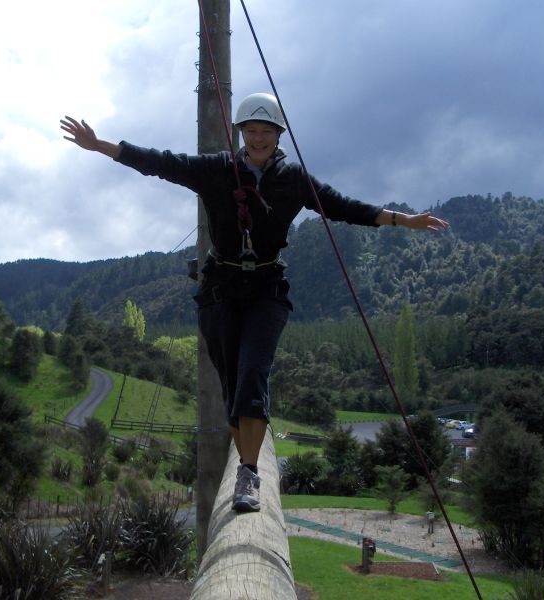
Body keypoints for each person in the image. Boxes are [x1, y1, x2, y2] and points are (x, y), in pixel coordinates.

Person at [60, 93, 449, 512]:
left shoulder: (294, 180)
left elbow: (342, 206)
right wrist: (100, 146)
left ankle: (249, 473)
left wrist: (400, 219)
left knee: (252, 376)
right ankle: (245, 456)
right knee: (232, 383)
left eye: (266, 131)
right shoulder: (216, 171)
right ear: (240, 133)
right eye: (251, 130)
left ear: (279, 136)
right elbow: (161, 163)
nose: (259, 138)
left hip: (266, 288)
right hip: (220, 289)